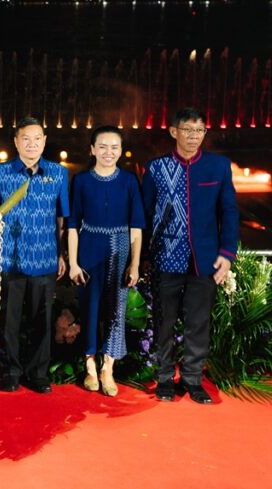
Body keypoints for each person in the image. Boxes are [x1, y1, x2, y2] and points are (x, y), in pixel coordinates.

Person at [142, 107, 238, 404]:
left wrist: (227, 253)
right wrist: (143, 256)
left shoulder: (218, 166)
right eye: (188, 130)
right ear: (174, 132)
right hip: (164, 257)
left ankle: (193, 380)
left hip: (204, 258)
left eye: (199, 130)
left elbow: (229, 211)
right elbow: (145, 214)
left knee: (198, 322)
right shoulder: (155, 168)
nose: (194, 136)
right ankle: (164, 378)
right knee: (164, 322)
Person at [0, 117, 69, 394]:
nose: (32, 144)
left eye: (37, 139)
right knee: (9, 320)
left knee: (42, 320)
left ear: (44, 141)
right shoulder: (0, 173)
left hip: (45, 257)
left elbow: (62, 219)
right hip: (8, 258)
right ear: (16, 142)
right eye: (25, 138)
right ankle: (10, 371)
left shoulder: (58, 173)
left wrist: (62, 255)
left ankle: (38, 374)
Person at [66, 126, 145, 396]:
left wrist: (135, 264)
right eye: (102, 146)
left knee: (116, 310)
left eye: (114, 147)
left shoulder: (130, 181)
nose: (108, 152)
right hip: (89, 247)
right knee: (89, 308)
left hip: (120, 250)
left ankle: (108, 369)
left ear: (120, 151)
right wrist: (73, 263)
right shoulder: (81, 181)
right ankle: (90, 366)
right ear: (92, 149)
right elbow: (73, 225)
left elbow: (136, 227)